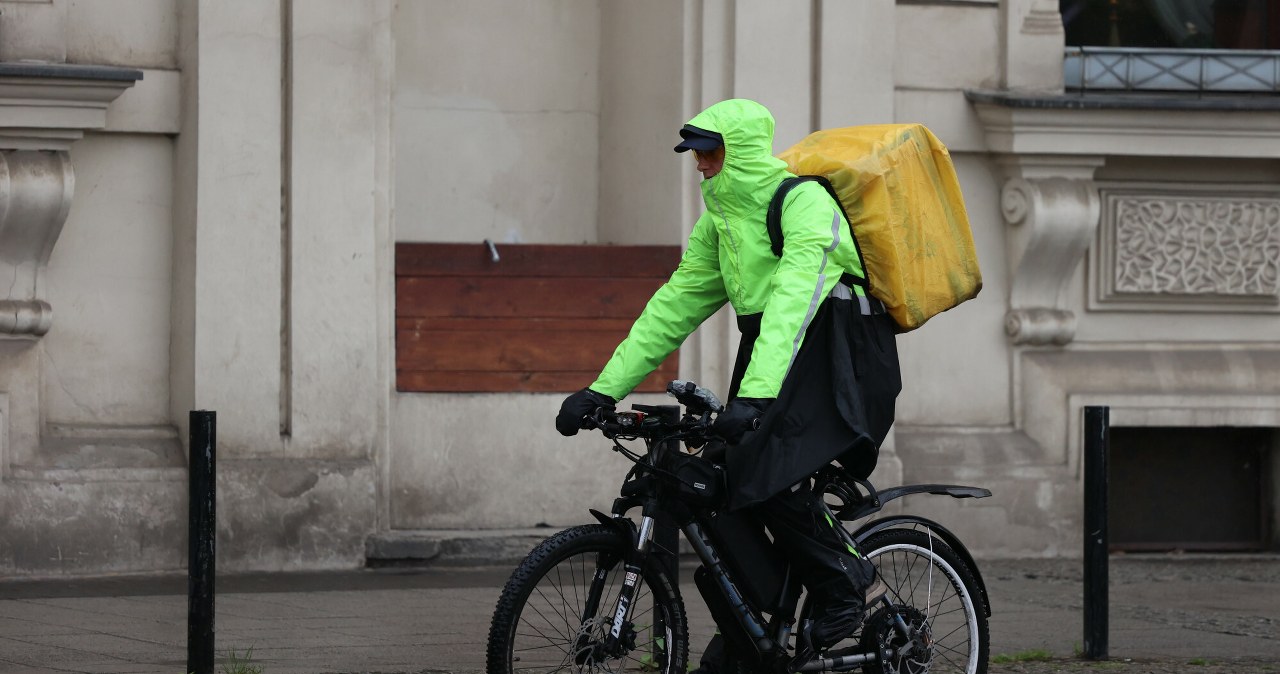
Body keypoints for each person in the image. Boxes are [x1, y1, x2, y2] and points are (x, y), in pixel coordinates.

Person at [556, 99, 901, 669]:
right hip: (775, 358)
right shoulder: (721, 222)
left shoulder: (803, 202)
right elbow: (676, 304)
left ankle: (849, 586)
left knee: (773, 470)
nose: (700, 165)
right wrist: (602, 389)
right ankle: (757, 629)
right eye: (695, 155)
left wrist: (755, 396)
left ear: (738, 152)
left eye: (709, 154)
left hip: (837, 355)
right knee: (712, 483)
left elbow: (793, 303)